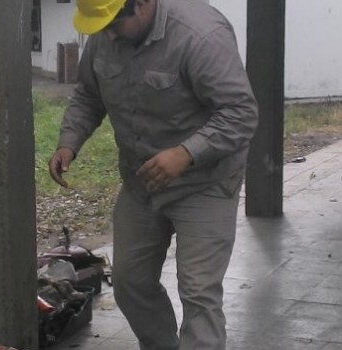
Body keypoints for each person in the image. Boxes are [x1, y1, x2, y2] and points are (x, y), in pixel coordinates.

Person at [48, 0, 258, 349]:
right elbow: (88, 94)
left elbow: (241, 112)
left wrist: (186, 153)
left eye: (114, 24)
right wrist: (69, 142)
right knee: (131, 282)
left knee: (199, 293)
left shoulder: (200, 35)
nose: (108, 34)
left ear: (143, 4)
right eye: (101, 26)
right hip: (141, 182)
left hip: (204, 184)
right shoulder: (106, 31)